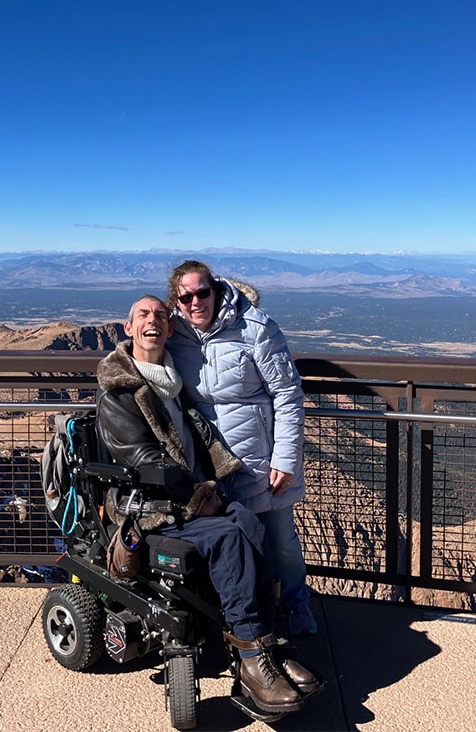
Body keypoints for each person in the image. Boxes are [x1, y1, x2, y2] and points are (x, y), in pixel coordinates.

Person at [95, 294, 317, 714]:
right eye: (143, 316)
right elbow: (146, 463)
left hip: (194, 500)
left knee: (249, 524)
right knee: (228, 538)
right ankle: (252, 664)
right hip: (154, 511)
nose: (153, 322)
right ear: (128, 328)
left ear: (171, 326)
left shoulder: (171, 383)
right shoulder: (120, 398)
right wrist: (199, 499)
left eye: (161, 315)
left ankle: (264, 644)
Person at [166, 260, 317, 638]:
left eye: (202, 292)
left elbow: (287, 395)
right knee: (234, 543)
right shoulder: (174, 333)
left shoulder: (255, 328)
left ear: (216, 290)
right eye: (186, 296)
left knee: (279, 540)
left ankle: (296, 603)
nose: (195, 301)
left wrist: (285, 459)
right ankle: (249, 620)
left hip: (259, 461)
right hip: (207, 465)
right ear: (177, 301)